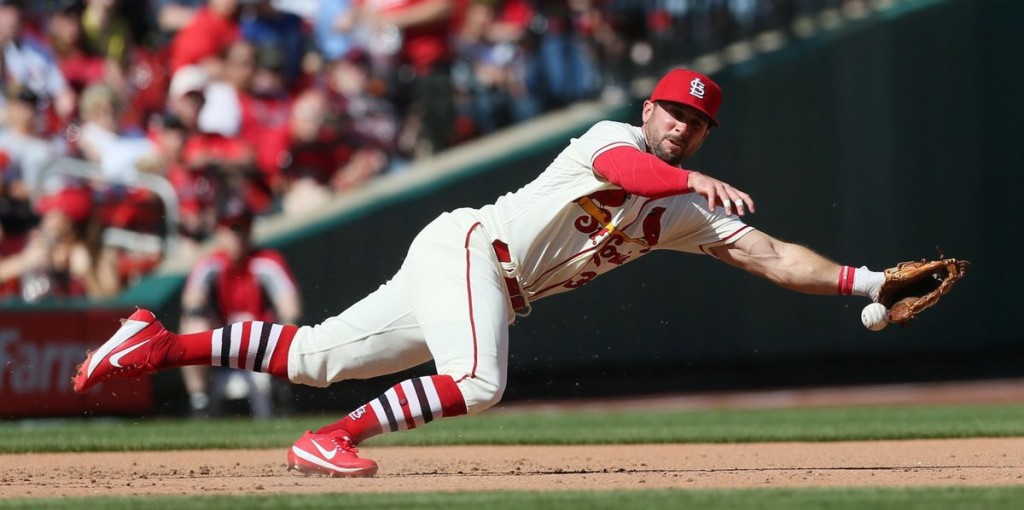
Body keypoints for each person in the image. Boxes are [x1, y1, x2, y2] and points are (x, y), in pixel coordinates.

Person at [72, 68, 887, 477]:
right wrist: (686, 178)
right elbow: (630, 173)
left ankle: (157, 342)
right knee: (480, 381)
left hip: (475, 275)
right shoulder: (617, 142)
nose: (684, 128)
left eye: (699, 123)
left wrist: (867, 284)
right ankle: (332, 439)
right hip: (471, 251)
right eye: (675, 112)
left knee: (317, 357)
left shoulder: (685, 210)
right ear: (649, 110)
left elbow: (776, 257)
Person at [178, 196, 301, 417]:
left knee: (291, 325)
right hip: (222, 347)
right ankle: (199, 400)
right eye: (231, 229)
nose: (237, 236)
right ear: (220, 232)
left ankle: (282, 395)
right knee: (192, 323)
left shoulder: (267, 260)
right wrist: (197, 308)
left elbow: (290, 305)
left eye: (242, 228)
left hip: (262, 346)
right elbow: (191, 300)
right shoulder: (210, 263)